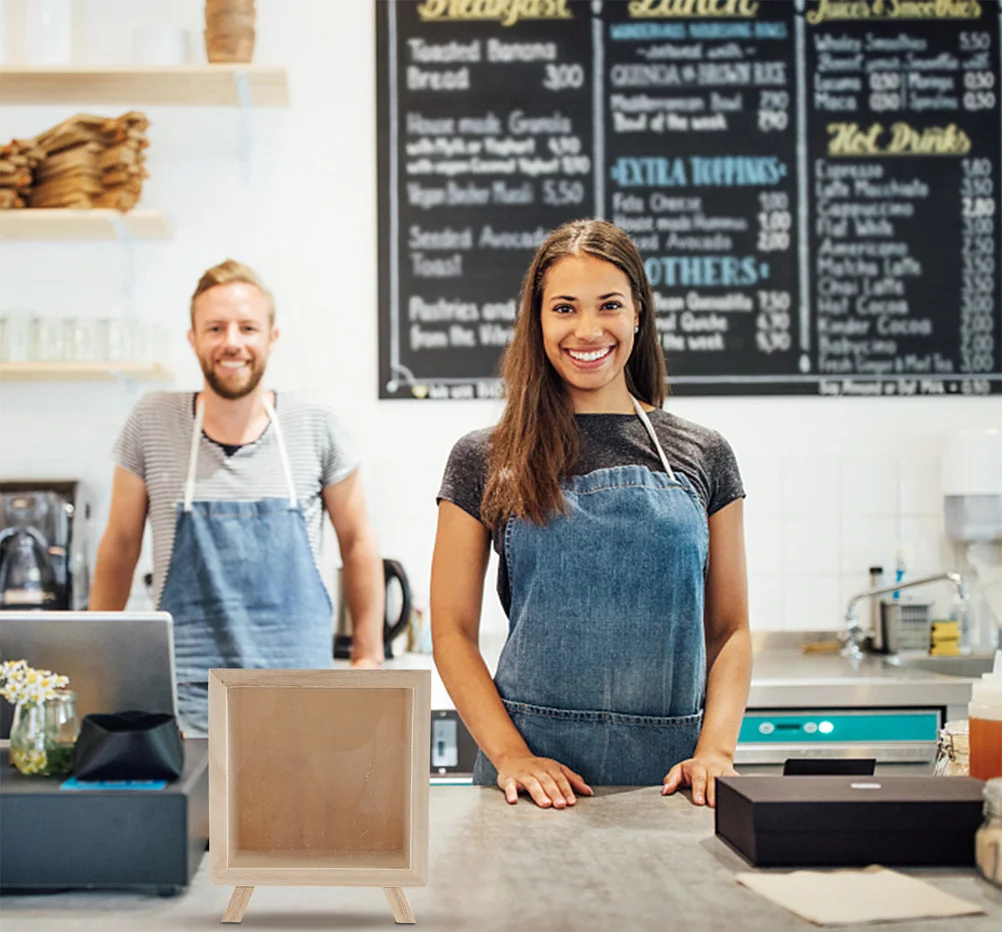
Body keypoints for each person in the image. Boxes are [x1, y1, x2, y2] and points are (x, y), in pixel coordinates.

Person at [431, 219, 751, 809]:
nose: (587, 329)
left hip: (674, 779)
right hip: (531, 782)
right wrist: (511, 755)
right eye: (564, 309)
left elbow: (730, 630)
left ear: (638, 314)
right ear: (539, 322)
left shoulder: (704, 454)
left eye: (609, 305)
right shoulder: (484, 458)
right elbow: (450, 631)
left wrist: (716, 752)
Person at [90, 259, 384, 735]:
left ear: (271, 337)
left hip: (301, 694)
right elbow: (120, 545)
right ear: (192, 338)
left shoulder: (314, 421)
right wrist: (99, 660)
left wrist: (368, 656)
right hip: (184, 698)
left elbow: (358, 542)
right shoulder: (153, 420)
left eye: (247, 327)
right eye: (215, 328)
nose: (232, 342)